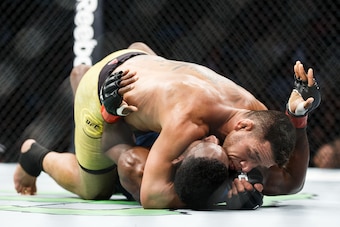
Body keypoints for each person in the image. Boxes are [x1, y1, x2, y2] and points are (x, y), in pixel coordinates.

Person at [14, 42, 320, 209]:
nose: (247, 165)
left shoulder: (256, 116)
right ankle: (35, 155)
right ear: (242, 127)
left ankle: (139, 55)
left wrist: (298, 122)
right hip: (110, 92)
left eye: (254, 161)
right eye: (251, 155)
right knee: (95, 187)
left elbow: (290, 181)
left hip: (148, 68)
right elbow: (152, 195)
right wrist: (226, 196)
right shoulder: (191, 119)